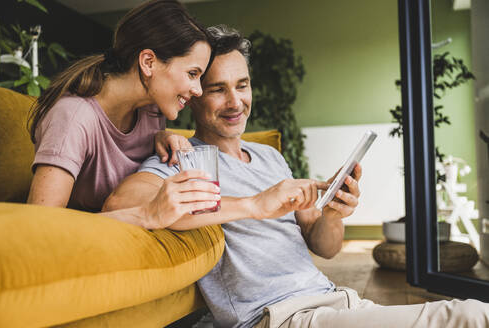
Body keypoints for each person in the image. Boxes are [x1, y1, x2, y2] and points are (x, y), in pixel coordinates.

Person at [104, 25, 489, 328]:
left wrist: (334, 213)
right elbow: (123, 205)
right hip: (281, 317)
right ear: (193, 94)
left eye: (242, 85)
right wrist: (255, 205)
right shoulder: (183, 160)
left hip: (336, 302)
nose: (236, 102)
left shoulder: (270, 157)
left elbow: (324, 246)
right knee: (471, 316)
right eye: (217, 89)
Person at [26, 0, 213, 214]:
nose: (198, 90)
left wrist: (160, 137)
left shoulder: (151, 111)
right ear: (148, 62)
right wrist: (146, 216)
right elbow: (41, 221)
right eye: (192, 74)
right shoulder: (73, 118)